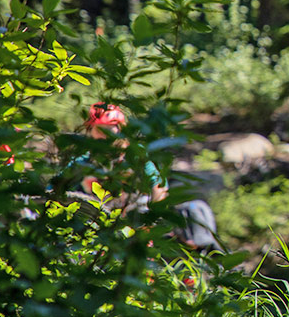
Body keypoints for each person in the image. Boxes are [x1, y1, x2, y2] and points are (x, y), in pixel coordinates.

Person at [80, 102, 220, 252]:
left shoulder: (133, 154)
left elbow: (157, 185)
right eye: (100, 130)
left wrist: (151, 222)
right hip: (99, 217)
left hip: (138, 214)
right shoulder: (84, 159)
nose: (105, 135)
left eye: (109, 129)